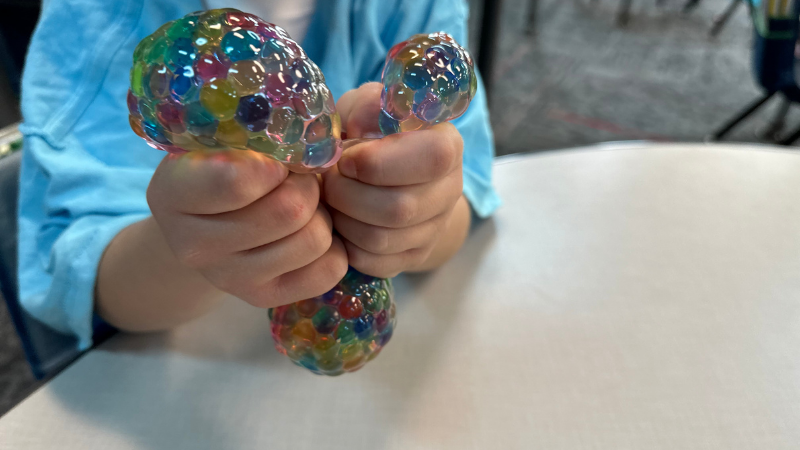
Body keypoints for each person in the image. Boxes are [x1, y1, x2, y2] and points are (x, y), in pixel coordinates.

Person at [18, 0, 501, 351]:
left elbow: (463, 199)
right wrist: (190, 246)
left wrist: (413, 211)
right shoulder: (94, 17)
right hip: (196, 368)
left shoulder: (414, 8)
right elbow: (80, 274)